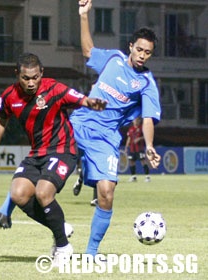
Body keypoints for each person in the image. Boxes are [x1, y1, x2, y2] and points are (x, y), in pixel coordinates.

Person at [0, 53, 107, 264]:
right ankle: (59, 227)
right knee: (18, 194)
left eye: (35, 77)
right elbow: (0, 121)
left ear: (42, 73)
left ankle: (63, 247)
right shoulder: (9, 96)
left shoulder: (54, 88)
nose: (31, 83)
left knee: (43, 192)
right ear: (17, 74)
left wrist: (90, 102)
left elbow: (80, 98)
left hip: (63, 150)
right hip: (37, 153)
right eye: (26, 78)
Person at [68, 0, 161, 257]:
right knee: (47, 171)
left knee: (107, 192)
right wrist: (84, 15)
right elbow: (88, 51)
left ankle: (91, 253)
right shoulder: (113, 59)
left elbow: (149, 118)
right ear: (130, 46)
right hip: (80, 123)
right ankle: (7, 209)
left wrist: (150, 146)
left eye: (148, 52)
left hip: (107, 137)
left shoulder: (146, 84)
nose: (142, 55)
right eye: (139, 49)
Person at [124, 117, 151, 182]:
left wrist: (140, 138)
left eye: (137, 120)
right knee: (131, 161)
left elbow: (146, 136)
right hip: (132, 148)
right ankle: (134, 176)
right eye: (135, 120)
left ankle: (147, 177)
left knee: (143, 161)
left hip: (139, 148)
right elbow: (129, 138)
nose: (136, 121)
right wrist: (126, 147)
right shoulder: (131, 129)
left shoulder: (142, 128)